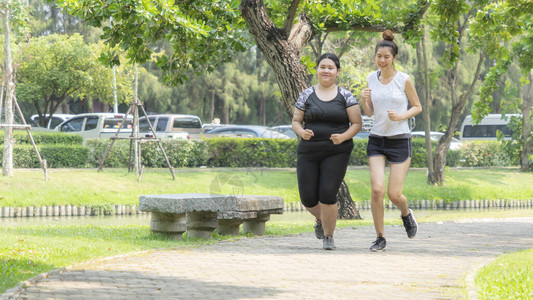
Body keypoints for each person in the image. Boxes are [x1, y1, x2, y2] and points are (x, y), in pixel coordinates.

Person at [292, 53, 363, 250]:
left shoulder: (345, 96)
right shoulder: (306, 94)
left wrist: (343, 137)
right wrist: (301, 132)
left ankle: (328, 237)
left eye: (330, 67)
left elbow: (357, 123)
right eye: (322, 66)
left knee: (327, 194)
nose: (326, 70)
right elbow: (296, 121)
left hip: (337, 151)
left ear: (337, 72)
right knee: (307, 198)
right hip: (309, 150)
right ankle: (322, 221)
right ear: (317, 70)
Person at [360, 30, 422, 252]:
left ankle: (406, 213)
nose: (382, 60)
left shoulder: (403, 79)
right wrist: (364, 100)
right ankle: (380, 237)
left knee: (394, 194)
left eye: (386, 57)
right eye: (378, 56)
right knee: (377, 190)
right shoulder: (370, 78)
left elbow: (417, 106)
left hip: (399, 140)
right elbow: (369, 113)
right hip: (377, 139)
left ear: (394, 58)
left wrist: (401, 115)